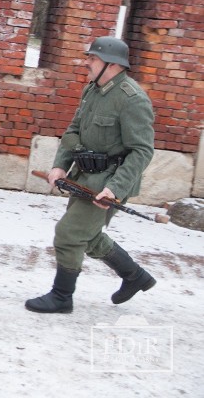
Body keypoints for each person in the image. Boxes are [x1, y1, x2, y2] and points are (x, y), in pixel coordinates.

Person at [26, 36, 156, 313]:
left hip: (108, 183)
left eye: (93, 58)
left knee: (70, 234)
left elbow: (142, 151)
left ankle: (62, 297)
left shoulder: (132, 100)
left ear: (112, 64)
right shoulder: (93, 90)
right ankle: (135, 277)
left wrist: (115, 189)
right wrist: (60, 165)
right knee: (89, 236)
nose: (87, 62)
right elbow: (73, 131)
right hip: (83, 177)